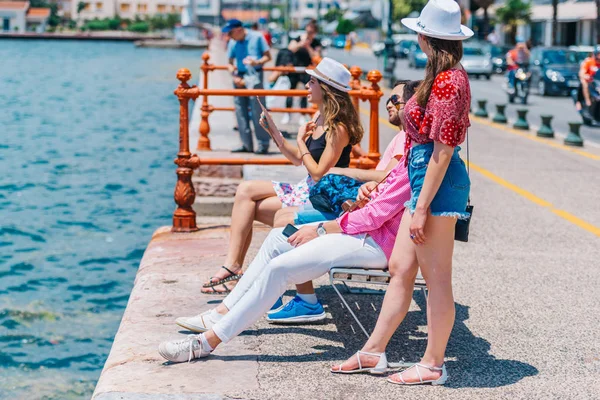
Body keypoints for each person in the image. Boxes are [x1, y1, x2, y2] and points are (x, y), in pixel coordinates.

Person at [158, 149, 412, 363]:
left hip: (375, 243)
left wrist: (320, 229)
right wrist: (368, 189)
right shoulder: (411, 154)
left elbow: (373, 216)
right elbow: (382, 198)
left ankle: (206, 342)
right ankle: (222, 312)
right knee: (278, 238)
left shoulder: (419, 160)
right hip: (361, 232)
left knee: (279, 268)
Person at [331, 0, 472, 385]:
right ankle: (373, 352)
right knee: (401, 269)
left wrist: (422, 207)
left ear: (425, 37)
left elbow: (442, 151)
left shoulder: (447, 81)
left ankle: (432, 364)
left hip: (435, 186)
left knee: (437, 277)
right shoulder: (441, 75)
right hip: (424, 180)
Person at [199, 58, 363, 296]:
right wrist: (273, 132)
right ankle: (233, 266)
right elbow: (298, 159)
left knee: (253, 207)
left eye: (312, 81)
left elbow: (318, 172)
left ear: (326, 89)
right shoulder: (319, 117)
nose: (306, 85)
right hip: (307, 188)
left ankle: (234, 270)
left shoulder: (338, 128)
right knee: (245, 191)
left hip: (322, 194)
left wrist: (299, 140)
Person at [263, 80, 421, 324]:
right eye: (388, 99)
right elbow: (388, 183)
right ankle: (272, 288)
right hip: (361, 211)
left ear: (411, 107)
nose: (388, 104)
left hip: (370, 228)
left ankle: (302, 299)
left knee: (285, 224)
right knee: (274, 215)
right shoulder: (403, 139)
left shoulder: (404, 141)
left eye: (395, 100)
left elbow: (389, 182)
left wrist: (344, 172)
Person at [224, 19, 272, 155]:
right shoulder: (233, 42)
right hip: (239, 77)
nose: (229, 36)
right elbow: (229, 62)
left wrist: (257, 61)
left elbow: (268, 57)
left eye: (231, 33)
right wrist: (234, 75)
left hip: (254, 76)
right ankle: (246, 144)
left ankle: (263, 144)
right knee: (240, 111)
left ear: (239, 30)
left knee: (258, 111)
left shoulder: (257, 37)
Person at [281, 19, 323, 126]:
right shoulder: (298, 38)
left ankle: (302, 115)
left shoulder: (316, 42)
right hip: (295, 68)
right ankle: (288, 113)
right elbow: (290, 48)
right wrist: (301, 43)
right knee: (290, 91)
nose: (309, 34)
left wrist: (308, 46)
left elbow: (316, 56)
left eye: (311, 32)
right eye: (308, 31)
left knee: (305, 93)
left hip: (307, 70)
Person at [576, 46, 600, 118]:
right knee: (584, 83)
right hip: (590, 82)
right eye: (598, 54)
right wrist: (585, 76)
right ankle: (587, 101)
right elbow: (582, 73)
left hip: (597, 82)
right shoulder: (588, 61)